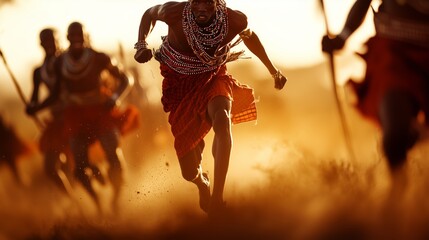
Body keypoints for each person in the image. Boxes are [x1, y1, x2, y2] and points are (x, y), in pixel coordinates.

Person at [134, 0, 287, 216]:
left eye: (208, 2)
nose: (202, 8)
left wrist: (273, 71)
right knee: (188, 171)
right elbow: (149, 14)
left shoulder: (234, 19)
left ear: (217, 2)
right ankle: (201, 182)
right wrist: (141, 44)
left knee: (222, 119)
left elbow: (249, 36)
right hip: (180, 88)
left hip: (213, 78)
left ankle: (217, 198)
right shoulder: (174, 12)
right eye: (197, 2)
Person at [27, 21, 139, 213]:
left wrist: (114, 97)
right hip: (75, 116)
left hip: (100, 111)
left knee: (114, 157)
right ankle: (97, 204)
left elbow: (126, 79)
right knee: (79, 168)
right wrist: (36, 107)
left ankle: (116, 200)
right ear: (68, 39)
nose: (77, 41)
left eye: (80, 37)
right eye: (73, 37)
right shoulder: (61, 62)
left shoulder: (99, 57)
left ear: (86, 37)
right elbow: (55, 94)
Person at [321, 0, 429, 183]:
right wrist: (342, 36)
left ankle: (418, 133)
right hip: (394, 58)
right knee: (395, 136)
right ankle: (398, 193)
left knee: (402, 135)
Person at [26, 28, 75, 194]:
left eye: (52, 40)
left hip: (73, 117)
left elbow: (55, 94)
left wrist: (37, 107)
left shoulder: (65, 62)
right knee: (50, 168)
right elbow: (34, 97)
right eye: (45, 41)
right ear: (41, 44)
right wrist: (31, 107)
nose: (49, 44)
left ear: (58, 41)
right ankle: (73, 201)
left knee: (78, 163)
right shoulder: (38, 72)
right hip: (57, 122)